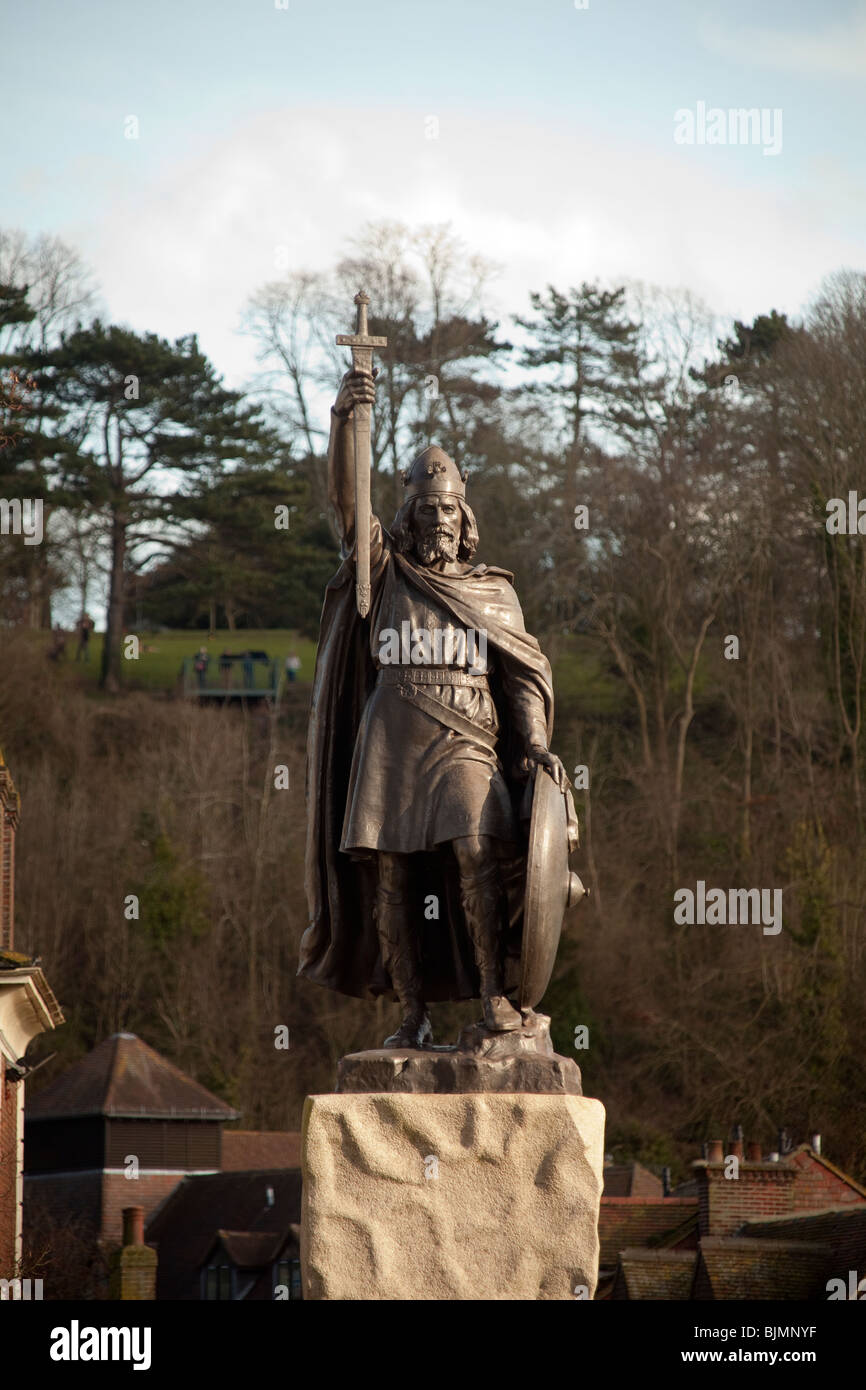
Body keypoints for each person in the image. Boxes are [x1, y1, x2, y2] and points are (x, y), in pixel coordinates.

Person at [300, 367, 570, 1049]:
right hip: (391, 732)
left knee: (476, 850)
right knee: (393, 873)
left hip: (466, 736)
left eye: (448, 511)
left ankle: (491, 994)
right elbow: (347, 505)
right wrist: (344, 423)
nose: (438, 521)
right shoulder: (386, 568)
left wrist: (534, 743)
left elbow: (522, 678)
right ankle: (411, 1012)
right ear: (411, 514)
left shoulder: (492, 592)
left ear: (464, 516)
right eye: (427, 510)